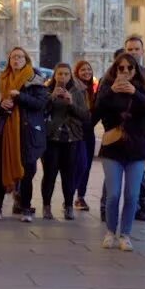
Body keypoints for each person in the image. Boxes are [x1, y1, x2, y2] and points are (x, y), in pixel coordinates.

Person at [94, 53, 145, 251]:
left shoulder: (143, 90)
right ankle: (111, 231)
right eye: (121, 68)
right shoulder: (107, 89)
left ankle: (126, 234)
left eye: (129, 68)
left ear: (135, 70)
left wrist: (135, 93)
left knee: (132, 195)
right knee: (113, 195)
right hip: (113, 148)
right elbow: (95, 114)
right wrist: (110, 92)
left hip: (136, 149)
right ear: (115, 70)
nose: (125, 71)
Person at [0, 47, 49, 222]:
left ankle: (25, 208)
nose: (16, 60)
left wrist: (19, 97)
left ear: (26, 60)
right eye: (13, 57)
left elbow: (41, 103)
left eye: (20, 57)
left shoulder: (35, 79)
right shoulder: (1, 79)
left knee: (27, 171)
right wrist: (1, 104)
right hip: (4, 130)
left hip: (27, 131)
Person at [40, 63, 89, 220]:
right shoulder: (47, 90)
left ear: (70, 76)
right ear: (54, 75)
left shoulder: (77, 92)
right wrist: (51, 98)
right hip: (52, 138)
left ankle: (68, 206)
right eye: (60, 74)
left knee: (69, 174)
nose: (63, 77)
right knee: (50, 173)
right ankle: (46, 206)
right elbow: (40, 110)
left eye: (66, 74)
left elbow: (85, 116)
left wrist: (71, 104)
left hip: (71, 138)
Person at [122, 36, 145, 222]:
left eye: (136, 49)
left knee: (138, 168)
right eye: (130, 49)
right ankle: (109, 205)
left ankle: (141, 202)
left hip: (141, 127)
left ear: (142, 51)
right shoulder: (118, 73)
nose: (133, 52)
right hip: (123, 126)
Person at [71, 60, 96, 211]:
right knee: (80, 165)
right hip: (77, 132)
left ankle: (81, 196)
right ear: (77, 72)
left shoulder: (92, 90)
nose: (87, 72)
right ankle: (71, 195)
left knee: (86, 166)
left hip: (89, 133)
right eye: (83, 70)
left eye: (89, 69)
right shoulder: (75, 89)